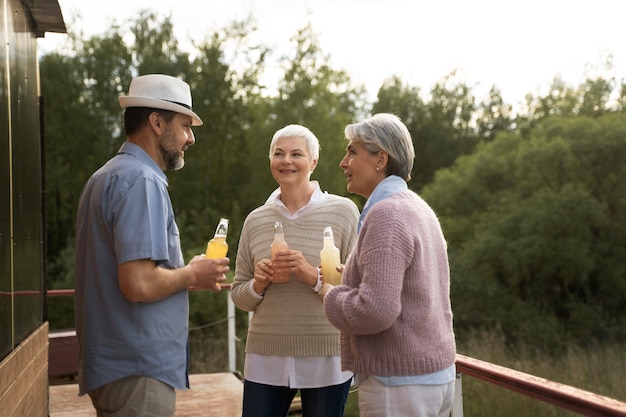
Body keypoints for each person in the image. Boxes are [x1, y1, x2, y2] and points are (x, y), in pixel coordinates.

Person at [74, 74, 230, 417]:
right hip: (137, 370)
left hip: (113, 367)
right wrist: (192, 273)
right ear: (157, 122)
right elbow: (139, 283)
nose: (191, 138)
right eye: (186, 126)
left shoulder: (105, 176)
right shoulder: (142, 181)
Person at [320, 113, 456, 417]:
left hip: (400, 385)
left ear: (380, 159)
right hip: (434, 379)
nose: (343, 162)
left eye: (352, 152)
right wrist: (353, 283)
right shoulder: (418, 208)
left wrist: (331, 295)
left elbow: (376, 310)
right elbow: (410, 290)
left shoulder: (387, 215)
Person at [230, 124, 360, 417]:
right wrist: (258, 284)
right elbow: (239, 296)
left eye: (296, 154)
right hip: (266, 357)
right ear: (271, 161)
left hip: (327, 355)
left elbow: (357, 290)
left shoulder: (344, 212)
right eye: (279, 154)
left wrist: (312, 276)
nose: (286, 161)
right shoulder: (255, 220)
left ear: (313, 162)